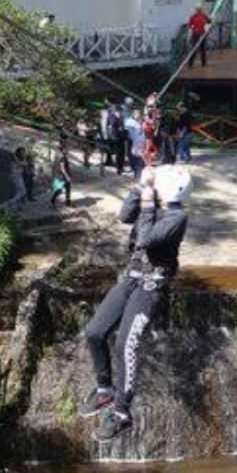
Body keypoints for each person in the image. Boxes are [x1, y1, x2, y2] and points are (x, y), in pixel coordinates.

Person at [81, 165, 191, 442]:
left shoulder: (177, 217)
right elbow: (124, 216)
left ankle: (121, 413)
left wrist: (147, 205)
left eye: (158, 183)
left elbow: (145, 239)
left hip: (152, 285)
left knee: (124, 344)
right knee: (94, 332)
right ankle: (104, 390)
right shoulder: (152, 202)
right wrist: (140, 188)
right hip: (131, 277)